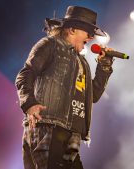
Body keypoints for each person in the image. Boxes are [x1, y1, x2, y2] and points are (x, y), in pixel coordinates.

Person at [15, 6, 114, 169]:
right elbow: (26, 73)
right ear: (72, 29)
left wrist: (104, 66)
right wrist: (29, 103)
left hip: (71, 135)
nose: (90, 37)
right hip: (48, 127)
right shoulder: (50, 44)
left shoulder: (82, 62)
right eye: (88, 32)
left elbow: (93, 96)